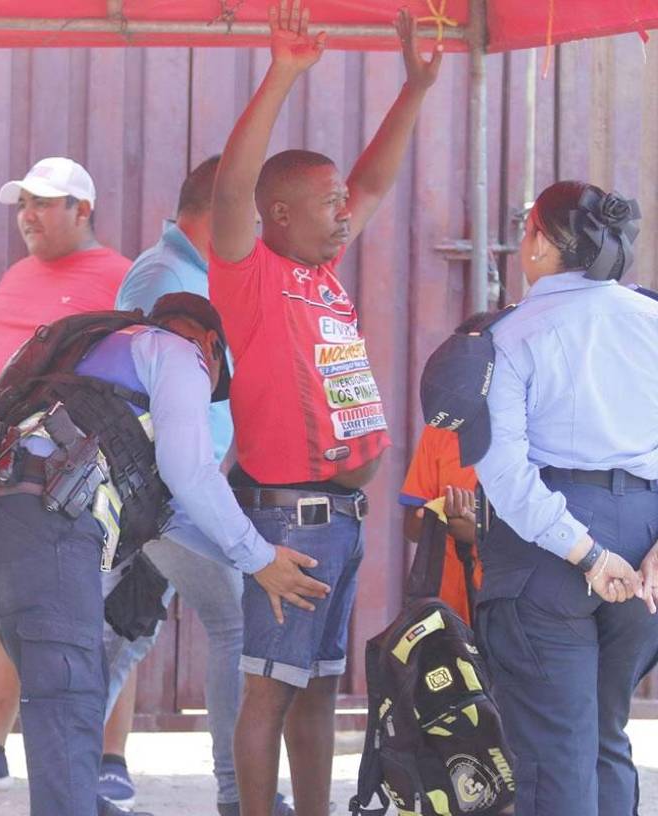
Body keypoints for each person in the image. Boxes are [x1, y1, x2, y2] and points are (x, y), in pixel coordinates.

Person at [0, 292, 327, 816]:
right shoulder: (179, 353)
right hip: (48, 526)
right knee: (69, 698)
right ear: (212, 346)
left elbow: (171, 515)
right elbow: (191, 474)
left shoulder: (103, 356)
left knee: (65, 694)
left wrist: (257, 560)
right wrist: (261, 559)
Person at [207, 3, 442, 814]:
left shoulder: (320, 271)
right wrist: (282, 73)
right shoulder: (252, 277)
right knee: (269, 690)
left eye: (344, 202)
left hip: (339, 518)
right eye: (329, 202)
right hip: (289, 522)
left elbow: (373, 180)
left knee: (317, 691)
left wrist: (415, 89)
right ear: (278, 215)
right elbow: (233, 187)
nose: (347, 211)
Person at [428, 180, 657, 816]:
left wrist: (589, 556)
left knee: (555, 753)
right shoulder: (652, 320)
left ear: (537, 241)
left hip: (549, 557)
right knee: (606, 739)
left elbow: (505, 475)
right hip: (644, 550)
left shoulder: (507, 336)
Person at [0, 156, 138, 803]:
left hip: (70, 493)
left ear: (82, 210)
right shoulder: (19, 275)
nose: (28, 216)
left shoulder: (121, 277)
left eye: (43, 203)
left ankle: (109, 759)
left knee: (95, 624)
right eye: (23, 205)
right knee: (8, 616)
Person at [108, 156, 291, 816]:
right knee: (236, 619)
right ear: (221, 208)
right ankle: (240, 794)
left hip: (180, 489)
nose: (257, 231)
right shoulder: (164, 277)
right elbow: (134, 397)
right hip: (165, 492)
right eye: (251, 214)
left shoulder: (199, 272)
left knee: (122, 635)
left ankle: (74, 780)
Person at [399, 423, 481, 625]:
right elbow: (412, 527)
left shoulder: (542, 433)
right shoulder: (442, 426)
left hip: (514, 607)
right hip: (448, 612)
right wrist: (444, 513)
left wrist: (477, 530)